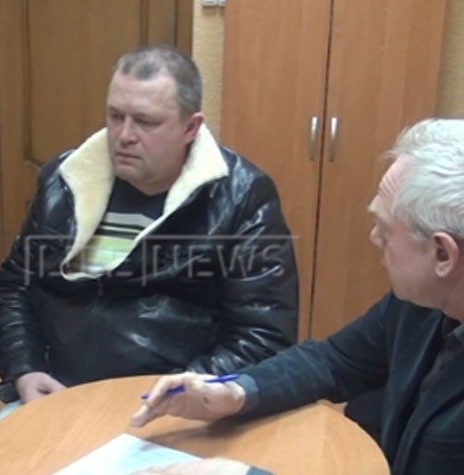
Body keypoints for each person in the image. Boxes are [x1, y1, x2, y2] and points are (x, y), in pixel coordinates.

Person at [130, 118, 464, 475]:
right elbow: (333, 361)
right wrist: (236, 393)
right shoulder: (420, 303)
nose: (373, 238)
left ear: (442, 254)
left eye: (385, 228)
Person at [0, 45, 298, 408]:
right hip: (55, 392)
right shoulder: (64, 181)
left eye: (146, 121)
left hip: (174, 406)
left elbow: (264, 334)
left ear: (190, 128)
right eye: (115, 116)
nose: (124, 135)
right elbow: (15, 286)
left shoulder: (242, 196)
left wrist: (179, 395)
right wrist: (25, 369)